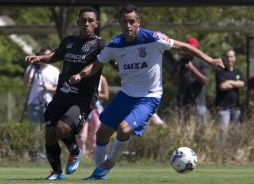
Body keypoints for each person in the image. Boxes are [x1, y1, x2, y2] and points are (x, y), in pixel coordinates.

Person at [69, 4, 224, 180]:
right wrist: (80, 75)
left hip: (148, 97)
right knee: (102, 133)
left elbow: (183, 47)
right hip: (125, 95)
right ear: (120, 23)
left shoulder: (154, 38)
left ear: (138, 22)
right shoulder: (115, 45)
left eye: (132, 22)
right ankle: (98, 173)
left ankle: (109, 162)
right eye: (124, 22)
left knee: (124, 128)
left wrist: (210, 59)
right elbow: (97, 64)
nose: (128, 26)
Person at [25, 7, 107, 181]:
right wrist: (40, 58)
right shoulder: (69, 41)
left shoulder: (100, 45)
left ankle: (75, 151)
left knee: (63, 128)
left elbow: (111, 60)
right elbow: (55, 56)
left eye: (90, 20)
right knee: (50, 134)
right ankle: (57, 172)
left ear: (96, 24)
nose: (86, 23)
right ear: (78, 22)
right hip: (62, 94)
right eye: (83, 20)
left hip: (83, 98)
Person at [215, 49, 245, 162]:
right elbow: (222, 86)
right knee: (223, 133)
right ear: (224, 58)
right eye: (227, 57)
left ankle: (235, 156)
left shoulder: (238, 71)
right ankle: (222, 156)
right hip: (224, 109)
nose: (229, 59)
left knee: (236, 134)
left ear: (235, 58)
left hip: (236, 108)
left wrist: (230, 83)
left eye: (231, 56)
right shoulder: (220, 71)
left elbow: (242, 83)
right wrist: (235, 83)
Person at [172, 37, 209, 126]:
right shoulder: (180, 62)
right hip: (183, 103)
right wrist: (179, 69)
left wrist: (192, 68)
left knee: (199, 130)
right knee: (183, 129)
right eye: (189, 48)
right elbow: (173, 82)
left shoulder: (202, 62)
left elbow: (204, 81)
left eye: (193, 48)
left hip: (199, 102)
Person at [23, 47, 60, 131]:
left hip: (48, 103)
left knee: (48, 130)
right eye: (44, 55)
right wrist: (31, 66)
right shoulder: (34, 68)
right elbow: (25, 82)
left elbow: (59, 88)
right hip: (34, 103)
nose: (46, 57)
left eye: (48, 55)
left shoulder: (54, 71)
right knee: (34, 130)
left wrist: (49, 88)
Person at [79, 74, 109, 157]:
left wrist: (94, 94)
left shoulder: (102, 78)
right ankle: (82, 156)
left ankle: (94, 155)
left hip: (96, 110)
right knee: (82, 136)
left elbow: (106, 96)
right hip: (84, 109)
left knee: (95, 134)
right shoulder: (83, 77)